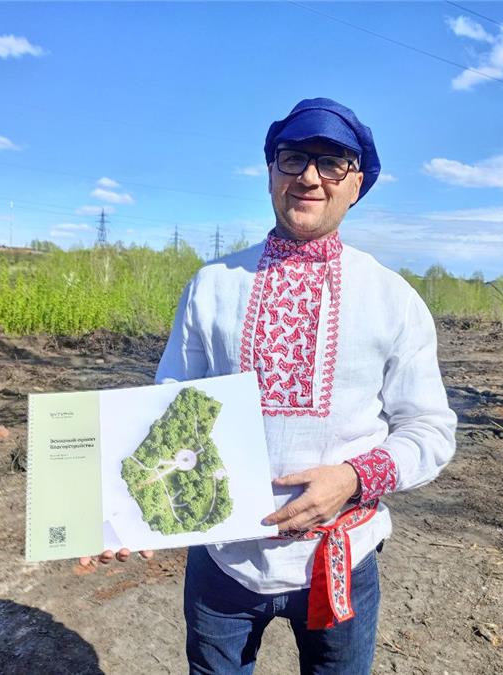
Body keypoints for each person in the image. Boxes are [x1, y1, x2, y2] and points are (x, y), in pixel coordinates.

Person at [81, 97, 457, 674]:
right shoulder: (212, 286)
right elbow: (165, 411)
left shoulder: (392, 299)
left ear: (356, 184)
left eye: (332, 162)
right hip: (223, 565)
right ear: (271, 173)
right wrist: (119, 513)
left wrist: (354, 479)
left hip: (340, 559)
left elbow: (429, 430)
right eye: (293, 157)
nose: (309, 176)